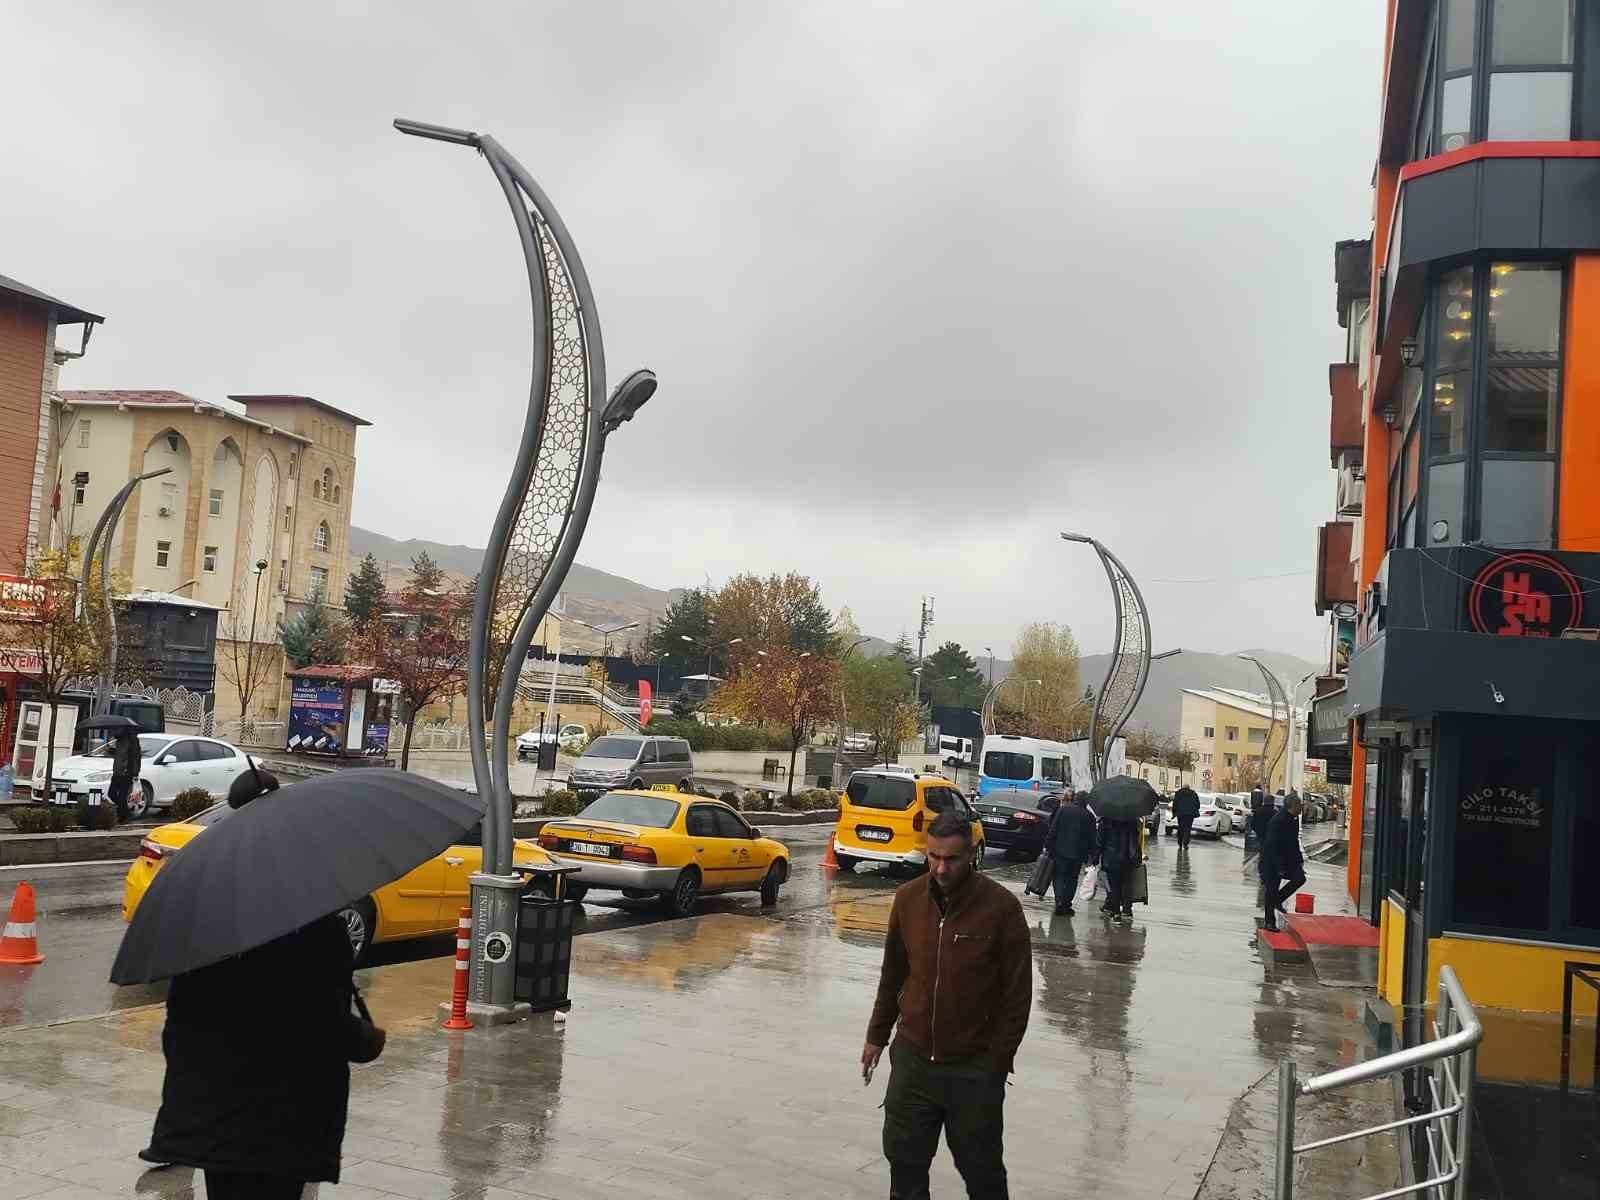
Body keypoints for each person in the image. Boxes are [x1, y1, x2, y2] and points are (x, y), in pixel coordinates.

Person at [142, 765, 386, 1200]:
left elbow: (180, 1024)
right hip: (285, 1124)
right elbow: (320, 1021)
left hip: (217, 1122)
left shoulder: (204, 910)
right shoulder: (314, 924)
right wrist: (364, 1038)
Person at [862, 810, 1032, 1200]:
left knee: (983, 1173)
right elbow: (892, 975)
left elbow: (1018, 995)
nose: (941, 867)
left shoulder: (1001, 908)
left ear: (971, 854)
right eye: (933, 856)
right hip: (914, 1063)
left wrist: (995, 1063)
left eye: (951, 858)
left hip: (973, 1070)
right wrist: (876, 1036)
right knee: (904, 1165)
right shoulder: (907, 900)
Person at [1260, 793, 1307, 932]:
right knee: (1271, 889)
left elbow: (1293, 842)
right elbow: (1272, 845)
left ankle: (1277, 900)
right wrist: (1279, 866)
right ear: (1293, 805)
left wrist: (1299, 860)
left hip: (1287, 859)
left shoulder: (1294, 819)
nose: (1302, 807)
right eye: (1300, 804)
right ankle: (1269, 922)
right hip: (1271, 860)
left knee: (1299, 878)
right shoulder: (1278, 820)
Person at [1048, 792, 1097, 917]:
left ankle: (1059, 901)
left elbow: (1054, 829)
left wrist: (1048, 845)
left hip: (1060, 851)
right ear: (1086, 802)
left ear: (1075, 799)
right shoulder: (1089, 816)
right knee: (1072, 879)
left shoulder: (1063, 810)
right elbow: (1092, 838)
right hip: (1078, 854)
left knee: (1059, 877)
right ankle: (1066, 904)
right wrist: (1093, 855)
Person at [1098, 811, 1143, 921]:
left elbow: (1100, 841)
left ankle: (1116, 912)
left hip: (1111, 858)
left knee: (1114, 886)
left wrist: (1096, 857)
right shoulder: (1132, 820)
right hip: (1128, 857)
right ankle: (1127, 910)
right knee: (1127, 884)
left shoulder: (1105, 820)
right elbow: (1136, 838)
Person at [108, 727, 142, 823]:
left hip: (127, 772)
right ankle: (125, 812)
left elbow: (136, 757)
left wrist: (135, 772)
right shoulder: (118, 740)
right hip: (117, 771)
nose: (114, 732)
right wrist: (111, 748)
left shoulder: (132, 739)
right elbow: (116, 754)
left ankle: (122, 817)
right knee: (111, 793)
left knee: (122, 796)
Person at [1171, 783, 1200, 849]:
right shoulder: (1194, 794)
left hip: (1180, 814)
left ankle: (1180, 843)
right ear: (1189, 788)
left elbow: (1175, 804)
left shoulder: (1178, 793)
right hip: (1190, 815)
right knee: (1188, 828)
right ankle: (1185, 843)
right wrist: (1194, 809)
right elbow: (1197, 805)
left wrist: (1174, 813)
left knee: (1181, 828)